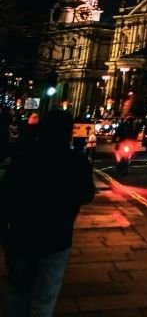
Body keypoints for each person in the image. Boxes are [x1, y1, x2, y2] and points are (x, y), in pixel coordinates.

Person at [1, 109, 96, 316]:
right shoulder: (75, 162)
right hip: (56, 238)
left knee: (17, 292)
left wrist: (6, 235)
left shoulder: (23, 159)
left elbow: (6, 198)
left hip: (21, 236)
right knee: (44, 297)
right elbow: (87, 195)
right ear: (68, 133)